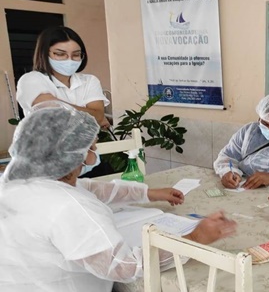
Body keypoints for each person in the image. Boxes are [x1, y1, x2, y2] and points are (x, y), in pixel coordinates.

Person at [0, 101, 237, 291]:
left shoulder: (19, 184)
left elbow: (92, 188)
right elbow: (124, 267)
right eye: (91, 148)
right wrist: (194, 238)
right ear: (72, 156)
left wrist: (148, 193)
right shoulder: (68, 207)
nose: (94, 155)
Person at [16, 26, 110, 128]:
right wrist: (89, 113)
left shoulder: (90, 80)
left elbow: (98, 116)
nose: (69, 60)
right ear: (44, 54)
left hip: (84, 144)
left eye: (76, 54)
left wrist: (58, 104)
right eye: (60, 54)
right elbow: (52, 112)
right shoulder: (31, 79)